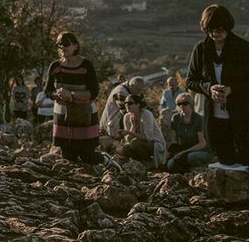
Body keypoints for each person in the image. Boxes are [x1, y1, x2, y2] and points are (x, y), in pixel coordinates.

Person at [186, 4, 249, 194]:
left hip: (243, 113)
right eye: (211, 30)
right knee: (225, 157)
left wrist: (232, 89)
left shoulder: (243, 47)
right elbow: (191, 81)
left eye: (219, 30)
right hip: (216, 116)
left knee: (248, 155)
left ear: (227, 27)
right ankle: (237, 195)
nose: (215, 34)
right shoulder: (201, 49)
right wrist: (209, 88)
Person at [43, 32, 102, 165]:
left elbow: (94, 92)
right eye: (59, 44)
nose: (62, 47)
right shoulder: (55, 67)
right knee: (68, 156)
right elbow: (47, 92)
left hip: (84, 115)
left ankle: (107, 162)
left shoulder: (86, 65)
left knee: (88, 155)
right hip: (63, 116)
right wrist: (58, 94)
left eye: (66, 44)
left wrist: (72, 95)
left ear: (75, 46)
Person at [113, 94, 165, 168]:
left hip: (154, 143)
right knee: (125, 149)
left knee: (135, 143)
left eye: (130, 103)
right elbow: (128, 139)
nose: (127, 105)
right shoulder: (127, 117)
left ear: (138, 104)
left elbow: (148, 138)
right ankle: (141, 163)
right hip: (138, 144)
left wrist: (129, 132)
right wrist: (133, 126)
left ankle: (149, 161)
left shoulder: (146, 114)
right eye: (125, 103)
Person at [165, 93, 211, 173]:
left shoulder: (198, 118)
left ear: (191, 104)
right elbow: (174, 139)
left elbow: (202, 143)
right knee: (170, 165)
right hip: (183, 150)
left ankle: (201, 167)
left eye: (185, 103)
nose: (182, 106)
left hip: (200, 150)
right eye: (179, 104)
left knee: (191, 157)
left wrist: (185, 152)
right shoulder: (176, 118)